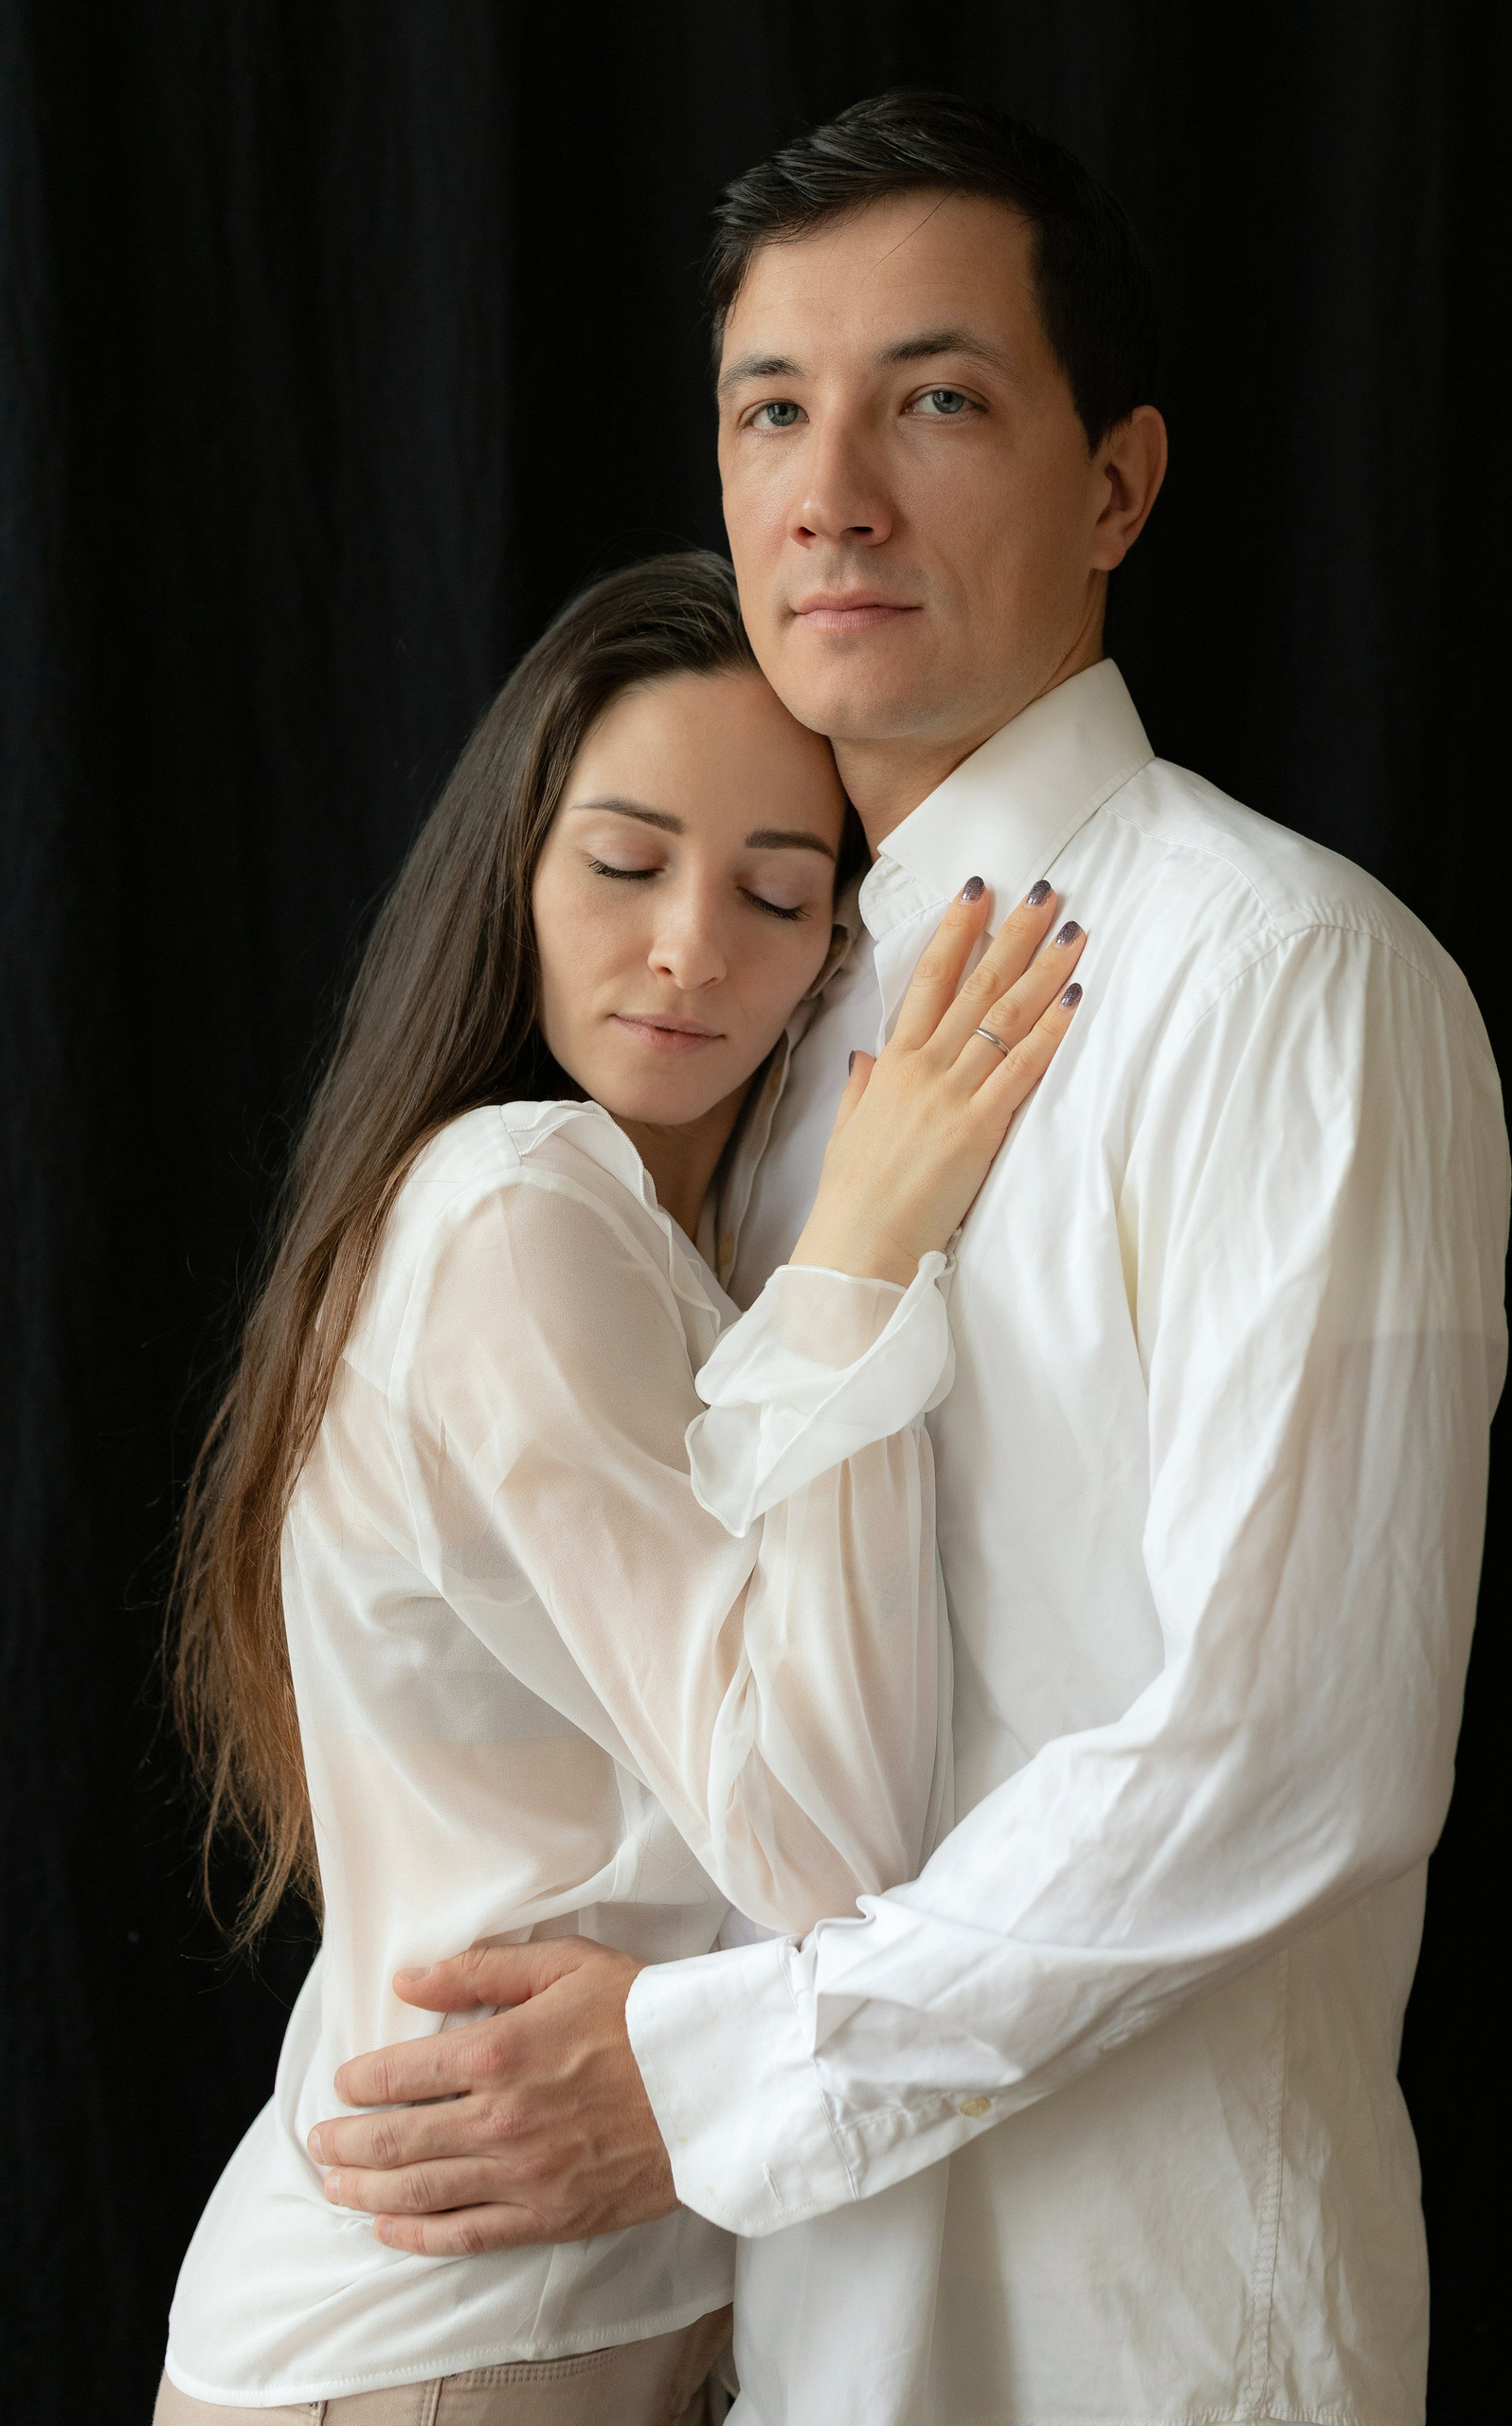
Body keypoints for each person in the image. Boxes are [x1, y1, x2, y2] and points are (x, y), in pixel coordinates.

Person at [306, 93, 1511, 2426]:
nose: (831, 492)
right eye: (774, 410)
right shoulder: (747, 1037)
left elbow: (1289, 1751)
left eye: (936, 401)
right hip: (780, 2339)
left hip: (1143, 2344)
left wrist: (705, 2075)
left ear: (1119, 486)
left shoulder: (1286, 978)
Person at [155, 549, 1086, 2422]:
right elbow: (823, 1848)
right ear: (514, 865)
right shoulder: (518, 1205)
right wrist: (862, 1254)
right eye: (624, 864)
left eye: (777, 893)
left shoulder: (604, 1232)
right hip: (447, 2345)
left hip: (508, 2319)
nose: (691, 949)